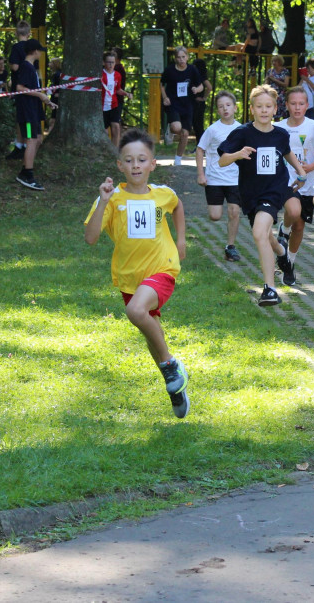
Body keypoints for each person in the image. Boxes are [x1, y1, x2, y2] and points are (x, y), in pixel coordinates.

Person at [83, 128, 190, 419]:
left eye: (142, 160)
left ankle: (171, 367)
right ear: (120, 165)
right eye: (129, 161)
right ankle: (175, 388)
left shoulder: (163, 195)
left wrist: (180, 239)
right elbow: (90, 237)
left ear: (152, 164)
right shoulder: (112, 198)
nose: (136, 166)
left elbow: (178, 205)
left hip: (163, 269)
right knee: (150, 334)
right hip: (130, 277)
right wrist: (103, 201)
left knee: (135, 311)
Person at [217, 85, 308, 306]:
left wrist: (302, 172)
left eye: (268, 106)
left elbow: (287, 152)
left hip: (275, 189)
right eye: (259, 107)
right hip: (251, 193)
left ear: (276, 108)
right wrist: (238, 154)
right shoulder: (242, 133)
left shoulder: (280, 134)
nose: (264, 110)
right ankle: (281, 251)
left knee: (259, 232)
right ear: (252, 109)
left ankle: (270, 289)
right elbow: (221, 160)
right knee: (265, 236)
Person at [275, 85, 314, 285]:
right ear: (287, 105)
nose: (297, 107)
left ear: (307, 105)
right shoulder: (279, 128)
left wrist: (309, 168)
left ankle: (289, 263)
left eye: (301, 104)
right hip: (286, 181)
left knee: (299, 226)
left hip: (308, 184)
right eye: (293, 103)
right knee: (293, 210)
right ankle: (284, 228)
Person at [195, 90, 243, 262]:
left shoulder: (241, 129)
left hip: (235, 179)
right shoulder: (212, 130)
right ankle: (227, 243)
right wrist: (201, 173)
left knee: (234, 211)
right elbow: (200, 150)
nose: (225, 109)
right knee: (215, 216)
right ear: (217, 110)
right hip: (214, 178)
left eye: (228, 105)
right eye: (221, 106)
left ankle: (230, 247)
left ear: (235, 108)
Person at [15, 39, 56, 191]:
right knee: (31, 140)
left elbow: (34, 90)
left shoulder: (32, 67)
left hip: (34, 111)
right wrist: (40, 96)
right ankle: (27, 174)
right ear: (34, 51)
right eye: (39, 50)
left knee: (38, 139)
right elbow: (19, 88)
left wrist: (46, 100)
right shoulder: (26, 66)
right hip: (27, 112)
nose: (40, 53)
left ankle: (26, 167)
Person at [161, 46, 204, 167]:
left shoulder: (192, 70)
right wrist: (165, 97)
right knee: (176, 127)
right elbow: (162, 85)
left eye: (183, 57)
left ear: (187, 57)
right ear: (175, 58)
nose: (181, 60)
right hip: (173, 103)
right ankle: (170, 129)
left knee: (185, 133)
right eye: (178, 57)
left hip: (187, 105)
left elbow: (201, 86)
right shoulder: (169, 70)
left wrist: (197, 89)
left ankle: (178, 160)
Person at [7, 20, 32, 160]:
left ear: (16, 33)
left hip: (20, 88)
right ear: (29, 34)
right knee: (27, 118)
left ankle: (21, 144)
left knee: (20, 118)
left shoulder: (16, 48)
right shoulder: (32, 48)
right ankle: (25, 142)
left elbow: (15, 67)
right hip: (31, 87)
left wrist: (11, 64)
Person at [102, 51, 134, 148]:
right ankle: (106, 150)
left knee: (116, 128)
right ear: (104, 63)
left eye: (113, 62)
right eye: (108, 62)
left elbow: (118, 89)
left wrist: (127, 93)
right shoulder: (100, 75)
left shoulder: (117, 75)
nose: (111, 64)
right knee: (105, 131)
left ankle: (115, 152)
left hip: (114, 105)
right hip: (102, 106)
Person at [191, 57, 212, 140]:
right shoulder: (199, 76)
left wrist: (204, 98)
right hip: (197, 103)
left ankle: (200, 145)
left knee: (198, 125)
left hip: (198, 103)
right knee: (197, 125)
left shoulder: (201, 77)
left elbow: (209, 87)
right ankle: (199, 145)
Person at [265, 55, 291, 119]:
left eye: (275, 61)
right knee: (274, 113)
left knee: (284, 115)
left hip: (282, 95)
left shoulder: (285, 71)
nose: (274, 63)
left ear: (280, 62)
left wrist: (274, 79)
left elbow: (285, 84)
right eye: (273, 61)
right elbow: (265, 85)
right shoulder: (270, 71)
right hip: (272, 95)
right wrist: (268, 79)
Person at [47, 57, 62, 134]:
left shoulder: (58, 74)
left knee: (53, 119)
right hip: (54, 98)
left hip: (56, 99)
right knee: (53, 117)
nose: (49, 64)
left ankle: (50, 133)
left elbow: (59, 86)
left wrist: (58, 93)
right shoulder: (55, 74)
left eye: (51, 63)